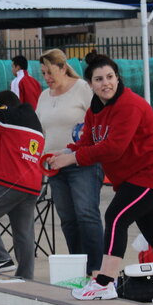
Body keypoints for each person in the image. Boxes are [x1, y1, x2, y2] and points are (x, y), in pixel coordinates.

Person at [47, 51, 153, 305]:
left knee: (116, 216)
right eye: (99, 79)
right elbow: (86, 142)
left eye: (110, 77)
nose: (106, 83)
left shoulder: (130, 104)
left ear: (118, 78)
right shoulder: (95, 110)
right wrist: (63, 153)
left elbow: (113, 148)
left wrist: (72, 159)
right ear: (90, 84)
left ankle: (104, 283)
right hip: (139, 176)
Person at [35, 48, 104, 276]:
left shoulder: (82, 89)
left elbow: (99, 120)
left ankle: (97, 268)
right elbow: (39, 130)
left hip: (82, 163)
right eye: (43, 73)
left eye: (50, 72)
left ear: (63, 68)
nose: (46, 78)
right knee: (67, 219)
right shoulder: (44, 96)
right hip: (54, 166)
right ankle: (78, 267)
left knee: (86, 214)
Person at [0, 80, 46, 279]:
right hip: (31, 185)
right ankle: (25, 278)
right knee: (23, 232)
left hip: (11, 182)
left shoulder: (10, 116)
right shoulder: (31, 122)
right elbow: (12, 146)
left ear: (3, 107)